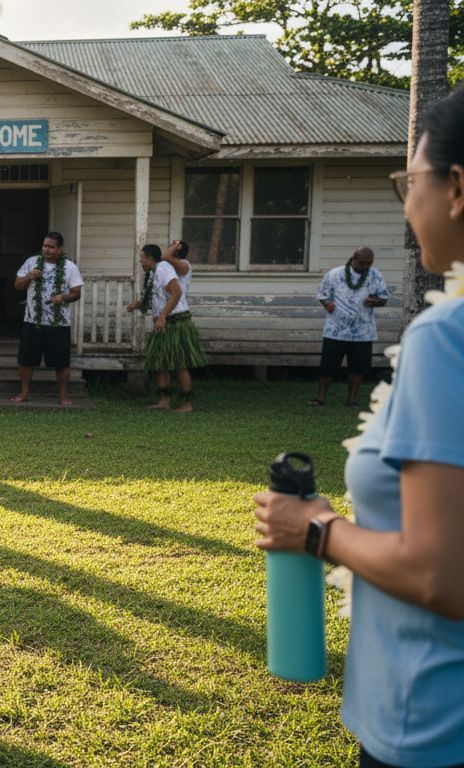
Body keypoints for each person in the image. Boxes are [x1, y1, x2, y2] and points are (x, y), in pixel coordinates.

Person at [254, 86, 464, 768]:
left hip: (433, 718)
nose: (408, 202)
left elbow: (444, 578)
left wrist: (315, 530)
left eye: (411, 181)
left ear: (456, 188)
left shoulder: (449, 338)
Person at [127, 244, 207, 413]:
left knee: (180, 365)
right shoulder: (153, 272)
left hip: (176, 322)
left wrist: (163, 316)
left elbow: (176, 292)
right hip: (163, 322)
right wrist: (136, 305)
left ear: (149, 258)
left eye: (142, 258)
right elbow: (154, 296)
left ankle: (186, 404)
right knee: (159, 363)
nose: (140, 262)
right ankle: (164, 401)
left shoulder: (163, 268)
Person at [312, 246, 390, 407]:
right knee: (328, 366)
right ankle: (320, 397)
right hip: (335, 330)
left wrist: (375, 301)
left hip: (363, 331)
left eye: (368, 263)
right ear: (353, 259)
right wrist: (328, 305)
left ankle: (352, 399)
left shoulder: (375, 275)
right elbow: (322, 294)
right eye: (362, 263)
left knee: (358, 367)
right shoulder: (335, 274)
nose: (365, 267)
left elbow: (383, 298)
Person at [12, 231, 82, 406]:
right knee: (26, 359)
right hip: (32, 320)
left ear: (59, 249)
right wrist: (30, 277)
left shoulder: (69, 267)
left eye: (51, 247)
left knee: (61, 362)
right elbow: (17, 285)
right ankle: (24, 393)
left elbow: (76, 293)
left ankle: (64, 396)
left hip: (58, 323)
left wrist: (63, 298)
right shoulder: (31, 262)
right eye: (45, 246)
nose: (47, 250)